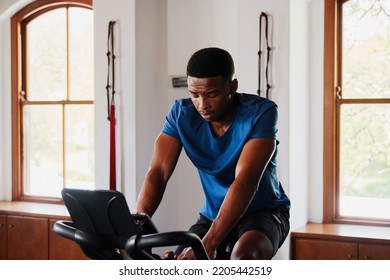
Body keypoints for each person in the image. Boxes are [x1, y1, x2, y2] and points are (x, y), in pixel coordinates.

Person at [135, 47, 291, 260]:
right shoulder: (181, 114)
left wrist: (207, 244)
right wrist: (136, 227)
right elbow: (159, 172)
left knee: (244, 258)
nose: (202, 104)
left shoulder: (261, 112)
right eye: (195, 95)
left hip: (264, 213)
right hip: (212, 215)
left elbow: (246, 181)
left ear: (232, 87)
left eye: (212, 94)